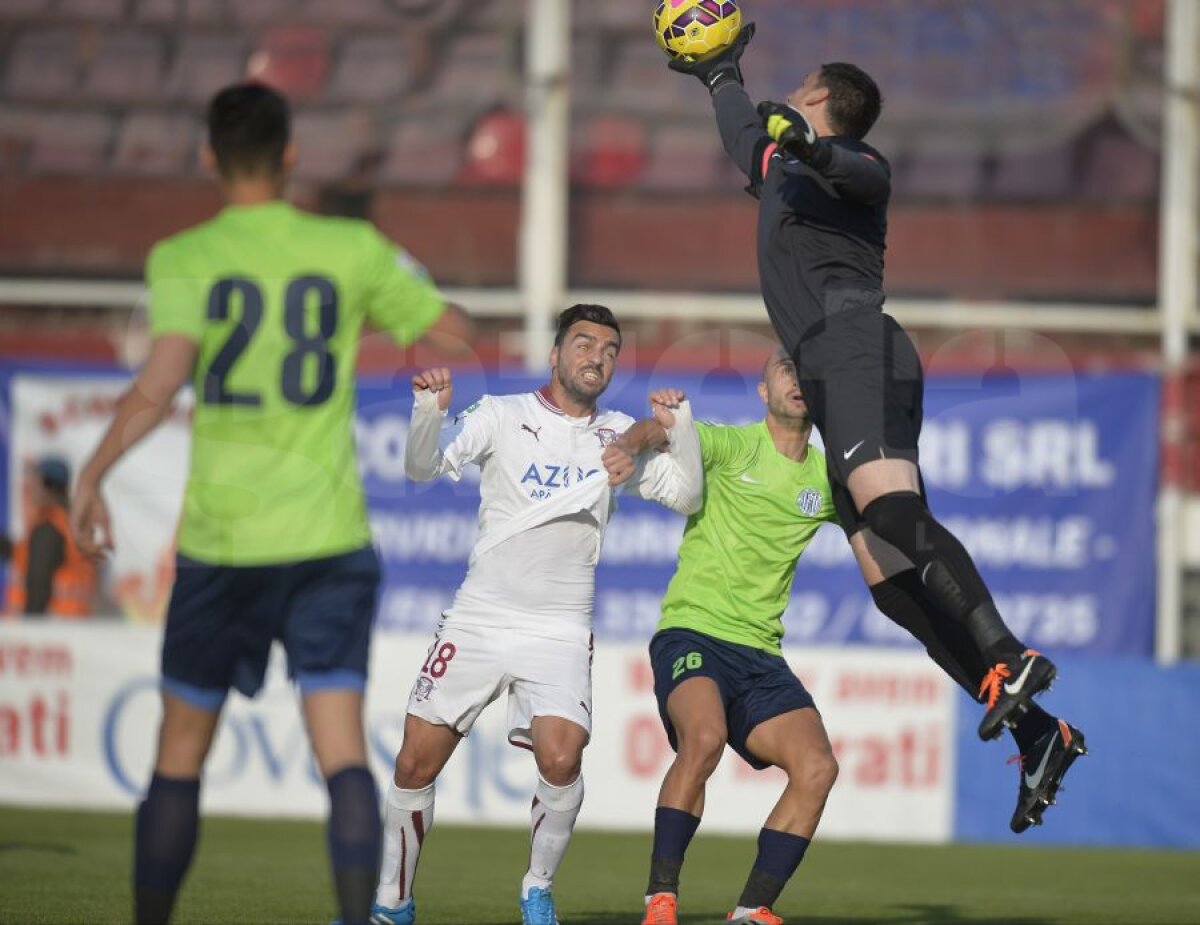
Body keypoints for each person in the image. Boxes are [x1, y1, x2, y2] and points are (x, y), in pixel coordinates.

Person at [69, 81, 471, 925]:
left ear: (209, 156)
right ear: (291, 154)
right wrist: (407, 281)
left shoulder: (184, 255)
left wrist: (94, 470)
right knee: (339, 752)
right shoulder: (350, 248)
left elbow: (164, 376)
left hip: (224, 541)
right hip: (327, 539)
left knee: (179, 755)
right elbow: (450, 330)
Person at [668, 34, 1085, 833]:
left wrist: (808, 141)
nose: (791, 94)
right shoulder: (784, 168)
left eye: (803, 89)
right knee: (890, 583)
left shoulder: (857, 168)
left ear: (825, 100)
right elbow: (745, 142)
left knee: (891, 516)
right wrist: (719, 74)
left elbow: (853, 168)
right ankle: (1040, 732)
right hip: (834, 371)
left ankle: (1010, 656)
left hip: (857, 344)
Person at [372, 304, 703, 925]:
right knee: (415, 761)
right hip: (480, 616)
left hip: (560, 625)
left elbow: (687, 494)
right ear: (554, 355)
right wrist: (428, 412)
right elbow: (421, 467)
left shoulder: (617, 435)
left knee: (562, 757)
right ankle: (393, 903)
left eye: (609, 349)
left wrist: (673, 425)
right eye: (583, 344)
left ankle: (537, 887)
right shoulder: (502, 414)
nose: (595, 357)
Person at [608, 351, 838, 925]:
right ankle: (660, 899)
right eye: (787, 370)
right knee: (704, 738)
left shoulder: (826, 480)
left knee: (817, 769)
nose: (798, 380)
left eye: (807, 372)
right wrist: (630, 445)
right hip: (694, 631)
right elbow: (661, 426)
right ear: (763, 391)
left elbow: (886, 519)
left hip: (761, 652)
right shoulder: (735, 446)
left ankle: (751, 909)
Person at [3, 457, 96, 617]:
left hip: (50, 631)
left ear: (46, 485)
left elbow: (39, 583)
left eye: (34, 481)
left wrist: (30, 629)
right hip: (73, 630)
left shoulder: (48, 530)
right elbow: (22, 554)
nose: (29, 487)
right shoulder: (72, 525)